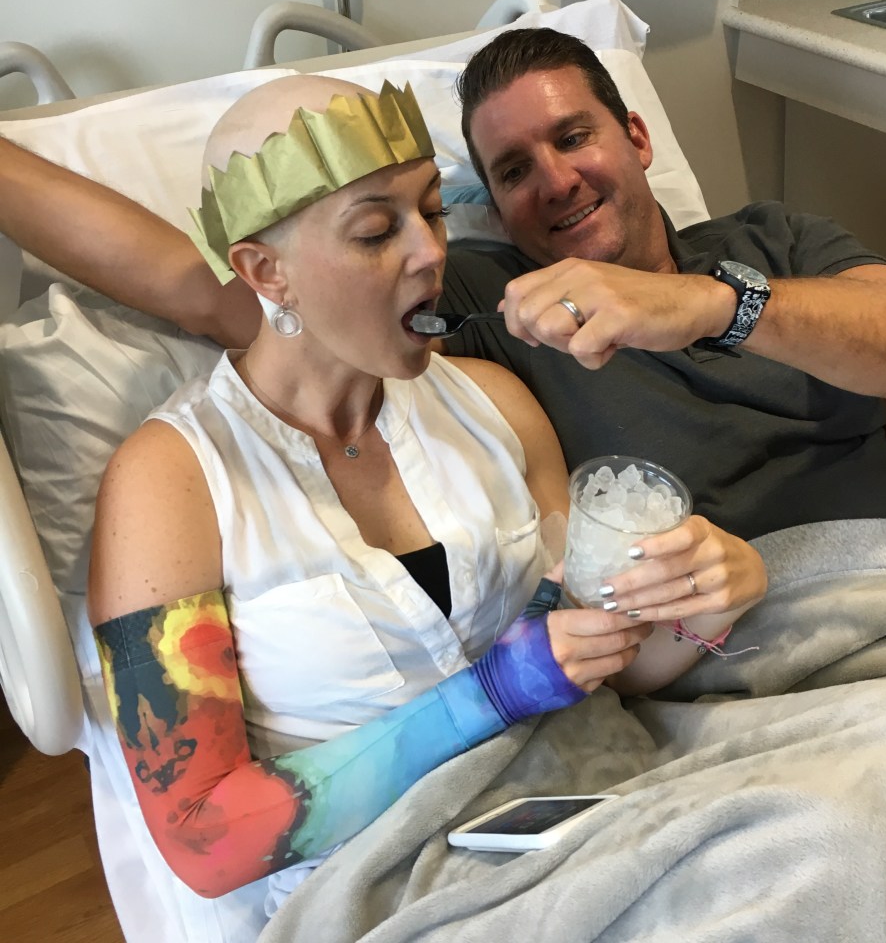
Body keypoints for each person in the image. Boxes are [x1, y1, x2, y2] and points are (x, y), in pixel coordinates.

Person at [85, 74, 765, 938]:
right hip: (390, 891)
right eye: (377, 231)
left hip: (605, 805)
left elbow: (608, 660)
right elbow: (204, 841)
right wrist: (494, 691)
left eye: (433, 213)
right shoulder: (171, 483)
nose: (429, 253)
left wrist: (707, 604)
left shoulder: (494, 404)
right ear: (266, 272)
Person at [0, 28, 886, 540]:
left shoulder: (773, 239)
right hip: (734, 639)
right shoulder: (484, 297)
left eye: (573, 136)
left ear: (637, 136)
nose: (554, 181)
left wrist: (707, 306)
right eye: (511, 171)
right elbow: (200, 285)